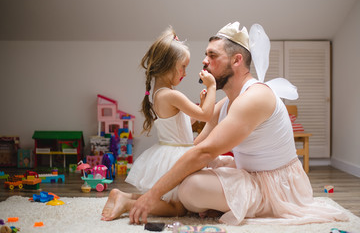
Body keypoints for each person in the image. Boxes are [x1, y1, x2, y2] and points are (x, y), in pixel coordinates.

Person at [126, 21, 349, 225]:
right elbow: (198, 133)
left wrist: (153, 194)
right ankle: (213, 202)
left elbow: (204, 150)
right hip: (252, 174)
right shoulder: (230, 101)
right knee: (198, 170)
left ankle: (226, 203)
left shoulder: (254, 97)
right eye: (206, 54)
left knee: (190, 187)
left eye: (212, 55)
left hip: (275, 187)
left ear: (236, 60)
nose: (204, 61)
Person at [101, 26, 216, 221]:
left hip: (168, 151)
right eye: (183, 67)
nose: (185, 73)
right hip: (177, 155)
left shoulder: (158, 95)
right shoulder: (172, 95)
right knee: (179, 209)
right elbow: (206, 116)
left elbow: (184, 122)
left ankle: (125, 196)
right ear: (168, 66)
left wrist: (202, 103)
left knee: (173, 203)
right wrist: (212, 86)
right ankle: (129, 204)